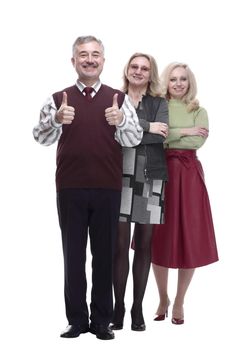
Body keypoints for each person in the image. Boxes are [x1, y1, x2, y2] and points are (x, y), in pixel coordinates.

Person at [33, 35, 143, 340]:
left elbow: (133, 139)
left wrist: (121, 120)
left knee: (105, 255)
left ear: (103, 61)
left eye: (95, 54)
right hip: (70, 188)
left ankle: (101, 321)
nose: (90, 59)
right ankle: (77, 320)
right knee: (73, 256)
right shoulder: (58, 99)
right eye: (83, 54)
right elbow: (40, 138)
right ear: (74, 61)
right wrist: (56, 119)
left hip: (108, 188)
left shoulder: (118, 100)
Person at [151, 62, 219, 325]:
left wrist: (172, 135)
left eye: (183, 79)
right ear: (166, 82)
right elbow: (156, 139)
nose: (178, 83)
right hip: (161, 173)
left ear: (190, 83)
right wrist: (184, 131)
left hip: (189, 176)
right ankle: (162, 297)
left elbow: (197, 141)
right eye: (173, 79)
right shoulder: (159, 107)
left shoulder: (199, 110)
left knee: (189, 236)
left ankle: (179, 301)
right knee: (159, 235)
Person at [110, 53, 169, 332]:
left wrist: (132, 126)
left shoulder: (159, 103)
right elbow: (113, 134)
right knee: (119, 246)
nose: (138, 71)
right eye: (134, 66)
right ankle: (118, 306)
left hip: (150, 177)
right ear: (127, 70)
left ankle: (137, 308)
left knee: (143, 246)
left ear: (150, 73)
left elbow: (160, 136)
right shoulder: (115, 98)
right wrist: (146, 125)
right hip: (118, 177)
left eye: (144, 68)